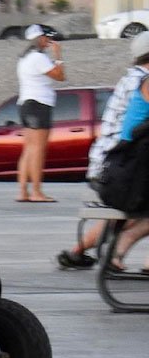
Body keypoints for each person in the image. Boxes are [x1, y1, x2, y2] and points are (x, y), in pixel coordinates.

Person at [56, 32, 149, 270]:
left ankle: (79, 251)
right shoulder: (143, 82)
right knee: (136, 211)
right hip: (120, 168)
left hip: (108, 165)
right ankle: (116, 253)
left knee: (130, 213)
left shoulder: (131, 78)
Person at [15, 24, 65, 203]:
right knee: (38, 150)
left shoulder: (24, 58)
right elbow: (60, 76)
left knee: (29, 148)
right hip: (39, 105)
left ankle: (23, 191)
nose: (48, 40)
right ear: (40, 38)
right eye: (46, 37)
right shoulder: (39, 58)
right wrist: (58, 56)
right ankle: (36, 191)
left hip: (25, 104)